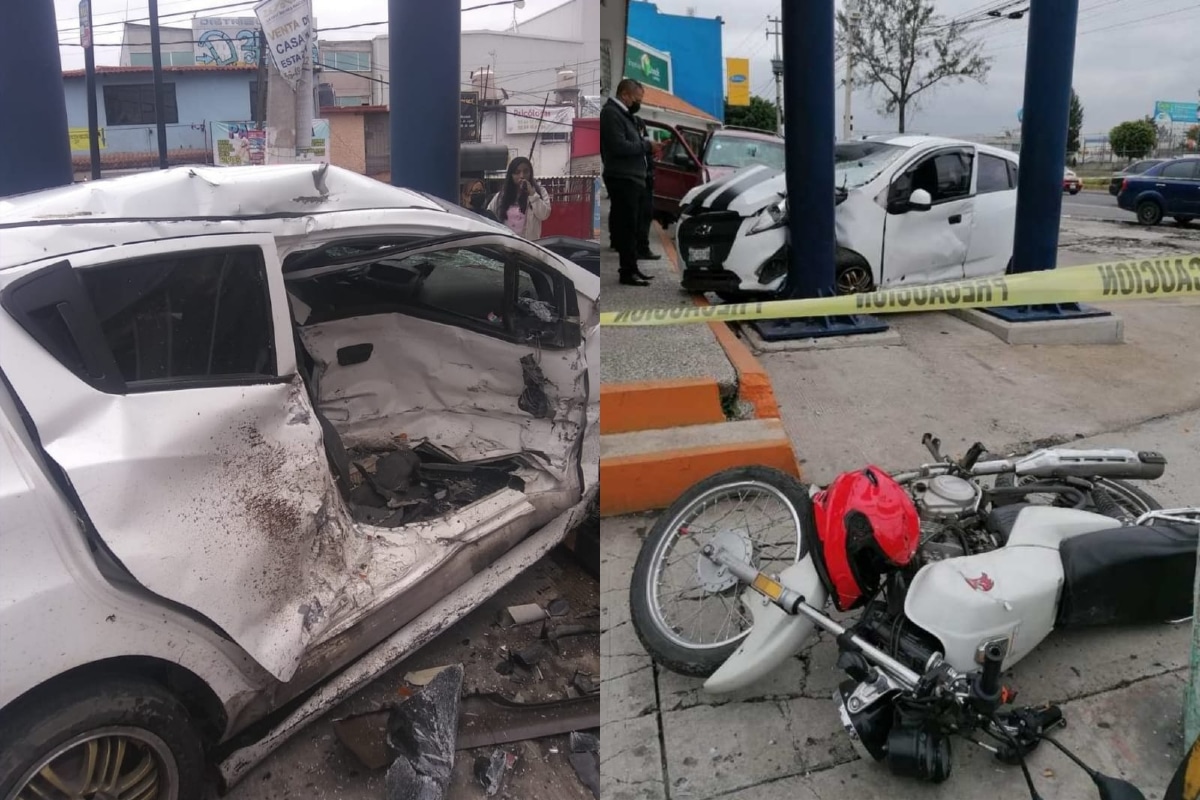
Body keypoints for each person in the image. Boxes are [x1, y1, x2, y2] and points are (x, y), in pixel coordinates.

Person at [601, 78, 654, 286]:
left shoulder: (625, 115)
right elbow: (619, 146)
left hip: (633, 178)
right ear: (625, 95)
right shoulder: (611, 114)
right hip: (623, 178)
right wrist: (646, 146)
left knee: (632, 226)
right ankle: (627, 272)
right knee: (627, 227)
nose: (637, 103)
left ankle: (632, 268)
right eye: (636, 99)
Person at [487, 157, 551, 240]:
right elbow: (489, 215)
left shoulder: (540, 192)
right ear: (511, 175)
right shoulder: (502, 195)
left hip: (529, 245)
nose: (522, 176)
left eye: (526, 172)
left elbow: (544, 215)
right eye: (517, 172)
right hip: (506, 245)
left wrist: (532, 194)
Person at [633, 114, 661, 262]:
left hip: (646, 182)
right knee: (640, 218)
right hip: (638, 183)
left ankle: (642, 247)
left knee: (646, 215)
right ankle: (640, 248)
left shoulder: (644, 144)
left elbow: (649, 161)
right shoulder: (635, 145)